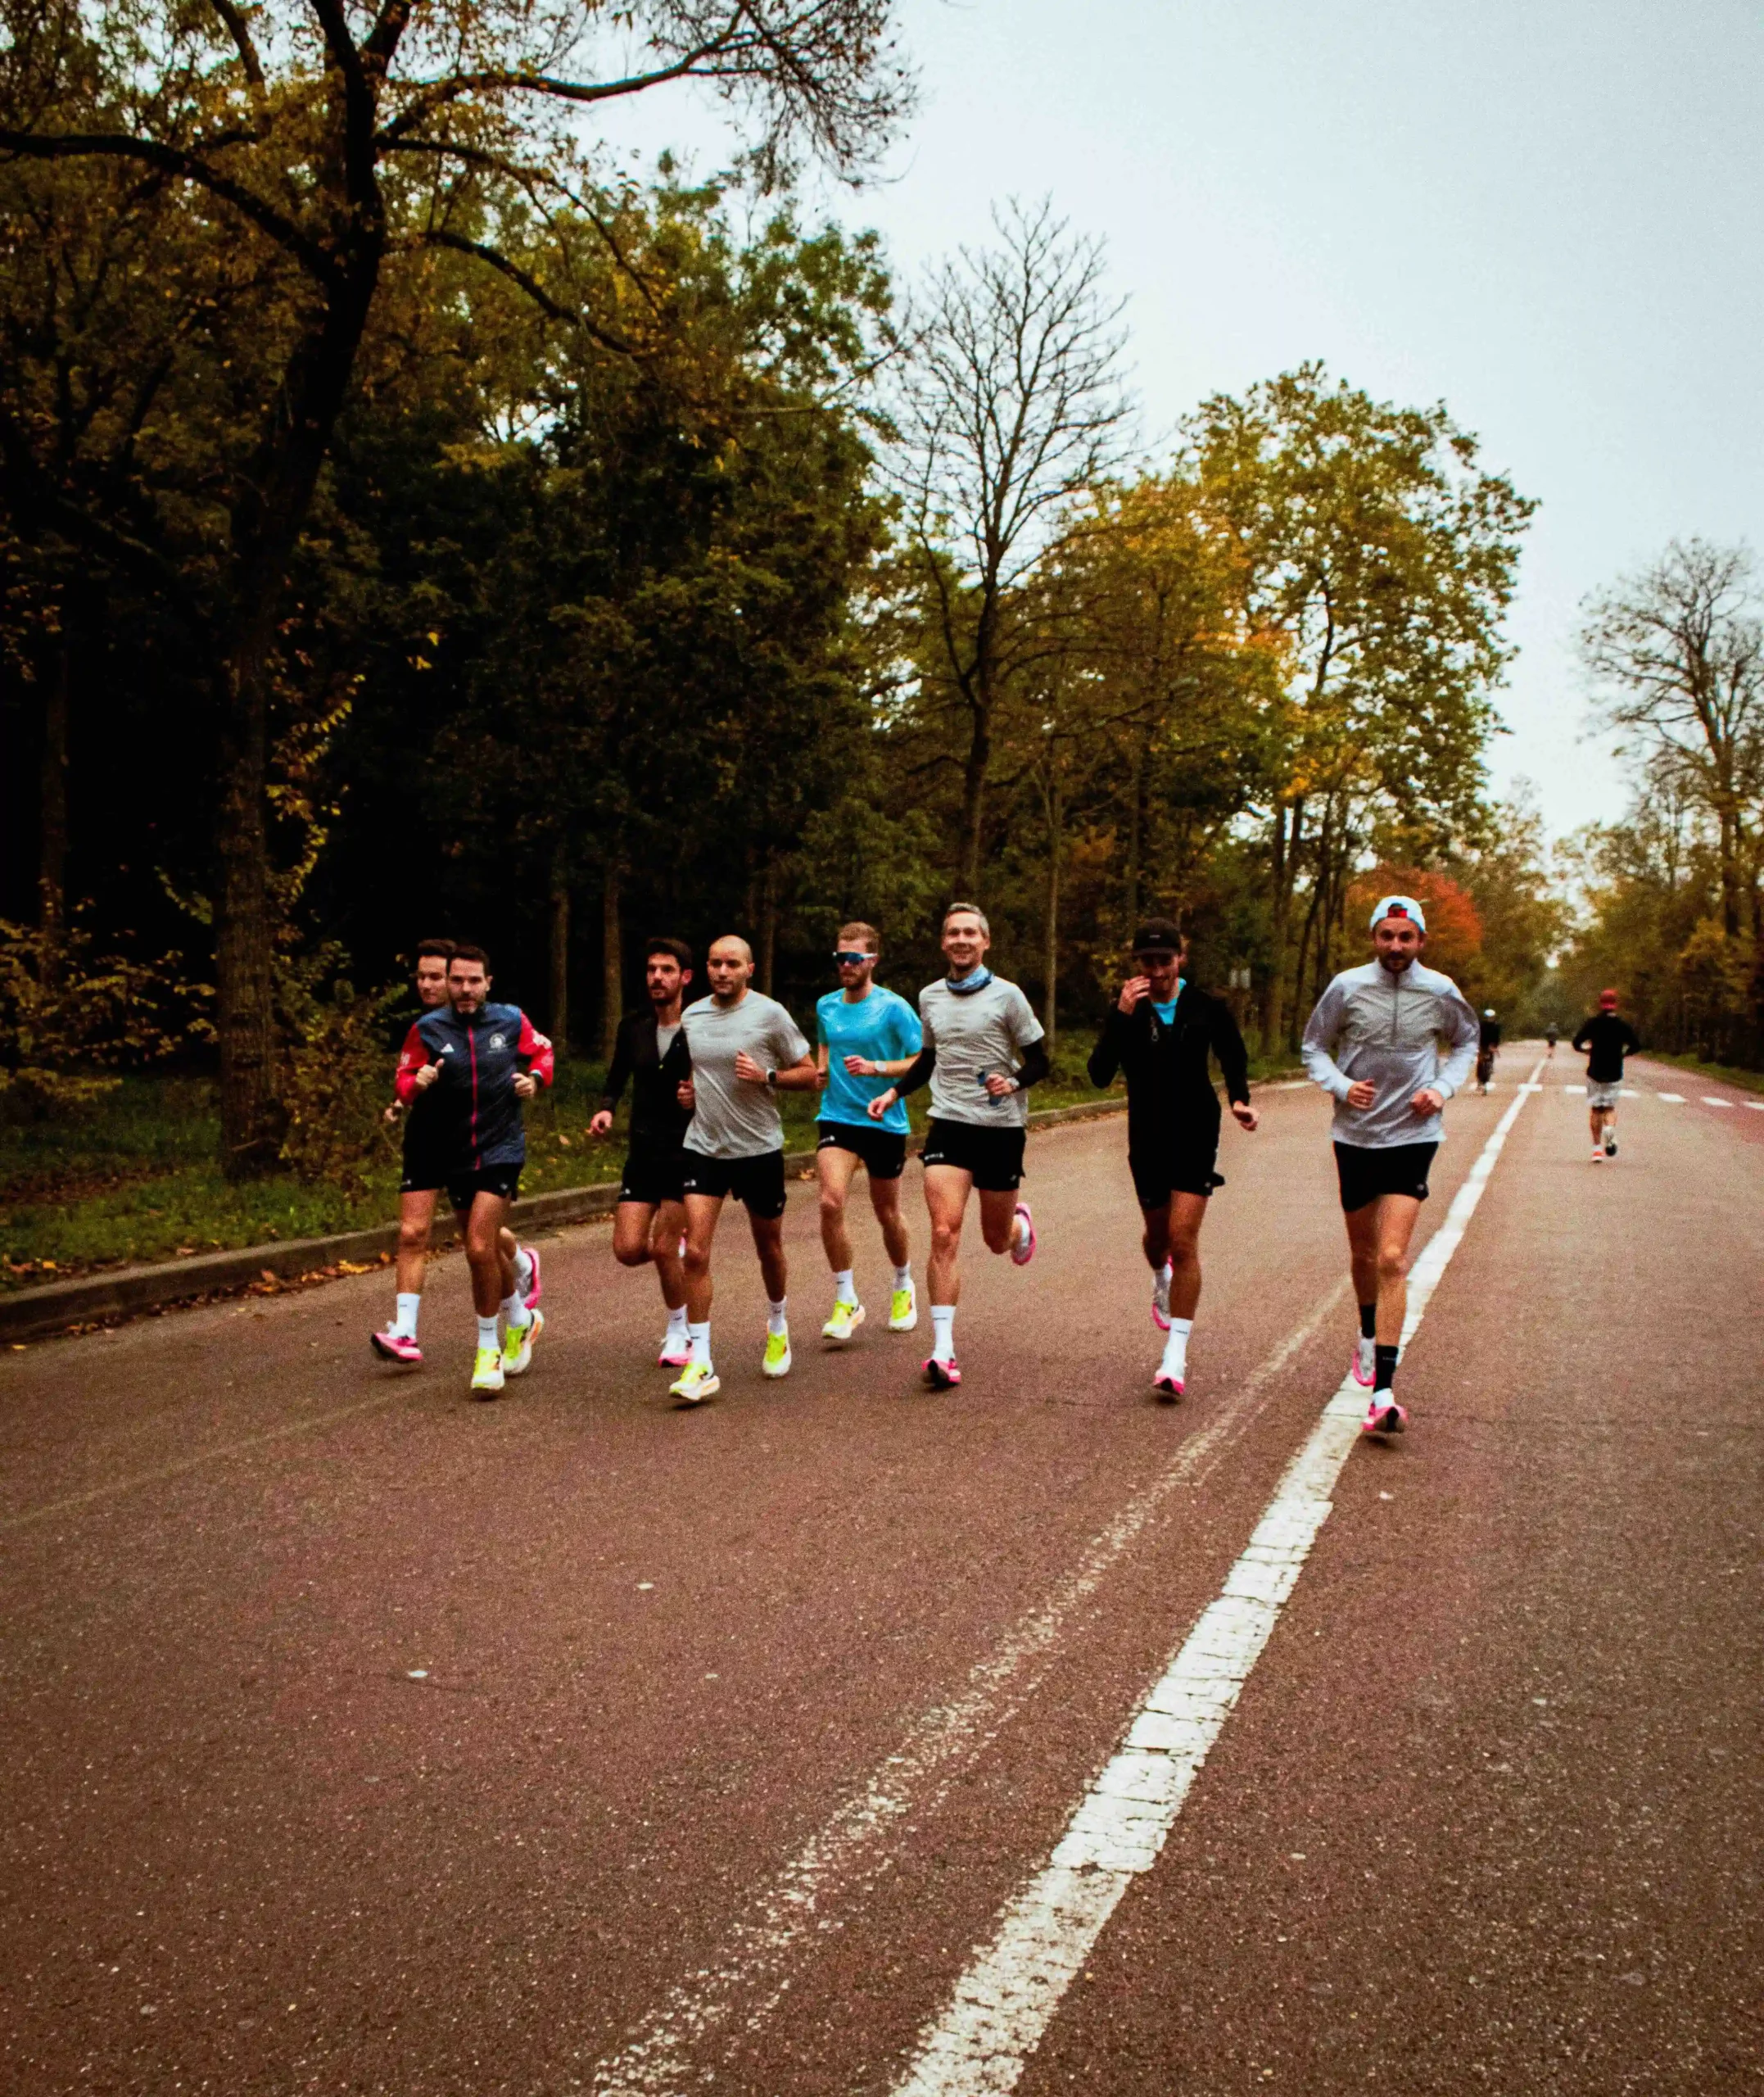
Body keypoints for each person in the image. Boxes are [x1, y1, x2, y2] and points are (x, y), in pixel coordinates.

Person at [1302, 895, 1479, 1437]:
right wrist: (1340, 1085)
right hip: (1354, 1135)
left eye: (1406, 937)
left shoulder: (1441, 990)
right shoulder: (1347, 986)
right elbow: (1313, 1047)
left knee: (1393, 1256)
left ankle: (1382, 1392)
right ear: (1374, 938)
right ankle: (1365, 1328)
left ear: (1421, 940)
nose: (1396, 946)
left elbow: (1468, 1041)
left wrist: (1442, 1088)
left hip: (1413, 1134)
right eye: (1387, 936)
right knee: (1361, 1252)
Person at [867, 903, 1050, 1389]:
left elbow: (1039, 1062)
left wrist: (1012, 1083)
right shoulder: (929, 997)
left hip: (1001, 1128)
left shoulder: (1008, 997)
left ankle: (1017, 1227)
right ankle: (943, 1350)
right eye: (954, 933)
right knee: (944, 1233)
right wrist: (894, 1091)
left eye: (971, 933)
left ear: (985, 941)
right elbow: (928, 1058)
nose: (962, 940)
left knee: (993, 1240)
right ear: (944, 943)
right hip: (948, 1125)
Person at [1087, 919, 1257, 1399]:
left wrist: (1239, 1099)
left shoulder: (1206, 1006)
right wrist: (1121, 1016)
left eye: (1165, 961)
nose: (1157, 970)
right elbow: (1099, 1075)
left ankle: (1174, 1357)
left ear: (1180, 959)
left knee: (1184, 1241)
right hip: (1147, 1136)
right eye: (1148, 961)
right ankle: (1159, 1277)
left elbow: (1233, 1055)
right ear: (1137, 963)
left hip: (1196, 1132)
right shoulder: (1126, 1009)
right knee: (1158, 1239)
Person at [393, 944, 554, 1395]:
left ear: (488, 983)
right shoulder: (427, 1028)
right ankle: (520, 1318)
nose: (465, 990)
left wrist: (534, 1080)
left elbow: (544, 1054)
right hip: (455, 1152)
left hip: (501, 1147)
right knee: (479, 1248)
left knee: (479, 1246)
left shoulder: (510, 1019)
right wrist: (416, 1082)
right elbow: (403, 1083)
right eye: (458, 981)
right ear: (449, 983)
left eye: (474, 981)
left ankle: (488, 1349)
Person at [668, 936, 817, 1405]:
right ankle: (701, 1361)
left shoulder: (770, 1015)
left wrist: (767, 1076)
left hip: (758, 1149)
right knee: (695, 1253)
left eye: (732, 964)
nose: (722, 971)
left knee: (769, 1248)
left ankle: (777, 1324)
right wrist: (690, 1094)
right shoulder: (691, 1016)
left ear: (749, 969)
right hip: (704, 1147)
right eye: (715, 963)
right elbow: (697, 1071)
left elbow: (811, 1074)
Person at [813, 923, 924, 1343]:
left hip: (884, 1119)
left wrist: (877, 1068)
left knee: (887, 1213)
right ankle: (847, 1299)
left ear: (872, 961)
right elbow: (824, 1041)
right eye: (840, 958)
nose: (845, 965)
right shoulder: (826, 1005)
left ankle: (903, 1285)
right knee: (829, 1201)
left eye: (853, 959)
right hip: (838, 1117)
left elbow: (919, 1060)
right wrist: (822, 1068)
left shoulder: (894, 1008)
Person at [590, 937, 695, 1366]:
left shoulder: (702, 1025)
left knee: (664, 1247)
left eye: (666, 970)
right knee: (630, 1249)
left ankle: (680, 1331)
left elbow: (727, 1079)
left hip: (689, 1151)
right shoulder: (633, 1026)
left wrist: (699, 1094)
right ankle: (680, 1256)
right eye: (652, 969)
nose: (657, 977)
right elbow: (617, 1076)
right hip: (644, 1150)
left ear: (685, 977)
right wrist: (605, 1108)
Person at [1572, 989, 1640, 1162]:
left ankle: (1596, 1149)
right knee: (1609, 1108)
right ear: (1615, 1004)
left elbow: (1576, 1042)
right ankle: (1609, 1128)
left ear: (1600, 1003)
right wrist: (1623, 1054)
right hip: (1614, 1071)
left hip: (1595, 1070)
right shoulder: (1622, 1025)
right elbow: (1636, 1045)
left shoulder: (1593, 1023)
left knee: (1596, 1109)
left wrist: (1585, 1050)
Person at [1476, 1008, 1501, 1095]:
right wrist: (1478, 1046)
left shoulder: (1496, 1026)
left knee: (1490, 1061)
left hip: (1491, 1046)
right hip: (1482, 1046)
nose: (1491, 1019)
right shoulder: (1481, 1026)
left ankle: (1489, 1069)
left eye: (1492, 1017)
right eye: (1489, 1017)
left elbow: (1497, 1038)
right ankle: (1479, 1078)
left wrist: (1495, 1046)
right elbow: (1478, 1036)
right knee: (1480, 1062)